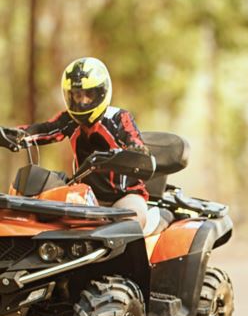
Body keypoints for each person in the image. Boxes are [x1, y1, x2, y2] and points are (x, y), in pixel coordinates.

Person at [14, 57, 150, 229]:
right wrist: (11, 135)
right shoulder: (69, 120)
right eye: (77, 95)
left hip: (124, 197)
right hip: (85, 197)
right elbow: (44, 130)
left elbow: (134, 139)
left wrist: (136, 150)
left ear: (101, 92)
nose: (82, 101)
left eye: (89, 94)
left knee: (129, 224)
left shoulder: (118, 118)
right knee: (47, 218)